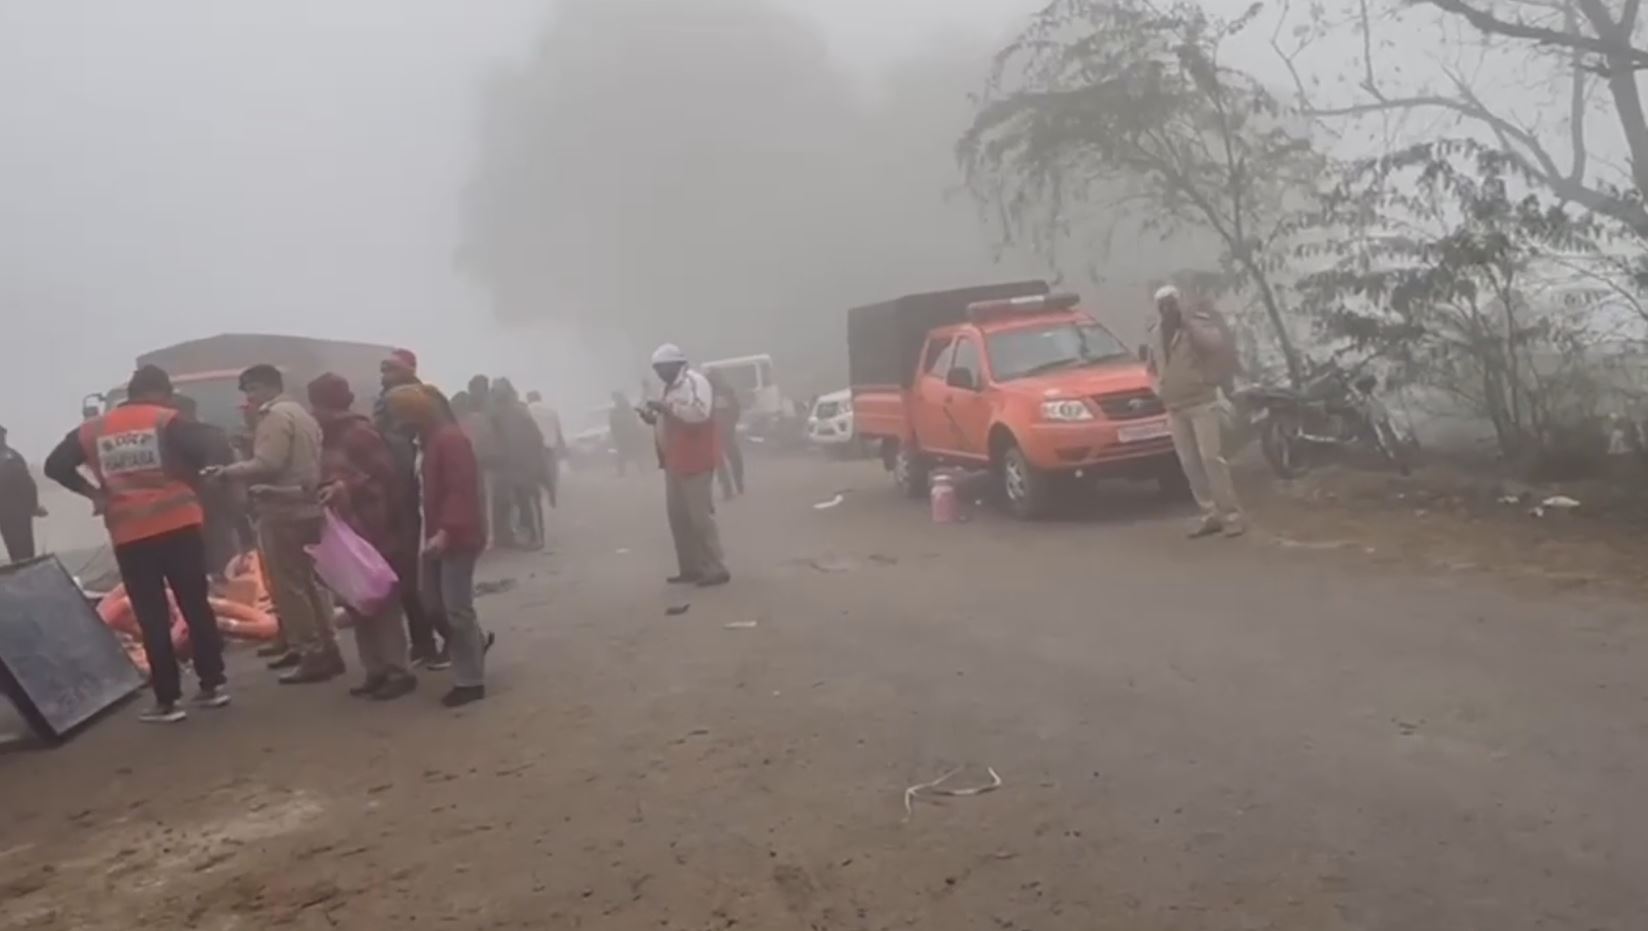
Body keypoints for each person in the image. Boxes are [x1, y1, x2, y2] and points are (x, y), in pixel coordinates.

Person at [44, 365, 227, 723]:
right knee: (195, 603)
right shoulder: (167, 420)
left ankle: (167, 701)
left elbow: (55, 465)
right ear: (160, 391)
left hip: (131, 534)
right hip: (180, 525)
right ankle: (213, 684)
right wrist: (196, 477)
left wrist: (94, 493)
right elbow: (213, 444)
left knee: (151, 615)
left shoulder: (93, 430)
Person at [210, 364, 346, 682]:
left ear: (266, 387)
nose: (249, 398)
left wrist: (226, 472)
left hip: (282, 510)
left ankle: (312, 652)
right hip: (307, 505)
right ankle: (329, 646)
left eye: (251, 390)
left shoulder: (273, 416)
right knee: (313, 583)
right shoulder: (302, 414)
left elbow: (268, 463)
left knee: (291, 586)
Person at [309, 373, 418, 700]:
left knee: (381, 601)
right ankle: (375, 669)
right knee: (358, 601)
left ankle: (398, 670)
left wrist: (347, 487)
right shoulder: (326, 437)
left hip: (372, 527)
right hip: (344, 529)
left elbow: (385, 478)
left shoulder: (358, 433)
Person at [385, 384, 493, 708]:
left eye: (398, 412)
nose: (394, 419)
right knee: (434, 604)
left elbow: (461, 490)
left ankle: (470, 680)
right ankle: (475, 646)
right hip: (434, 533)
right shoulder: (429, 441)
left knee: (455, 609)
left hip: (454, 535)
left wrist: (448, 529)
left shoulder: (448, 440)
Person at [1147, 284, 1244, 538]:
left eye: (1171, 302)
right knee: (1189, 463)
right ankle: (1209, 513)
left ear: (1179, 302)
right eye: (1162, 304)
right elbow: (1151, 367)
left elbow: (1215, 345)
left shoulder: (1195, 325)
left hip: (1202, 401)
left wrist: (1188, 323)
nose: (1167, 308)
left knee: (1211, 458)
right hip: (1174, 406)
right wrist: (1158, 388)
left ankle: (1231, 515)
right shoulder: (1157, 334)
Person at [372, 349, 448, 668]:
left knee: (431, 579)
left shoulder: (425, 402)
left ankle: (455, 640)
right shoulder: (385, 405)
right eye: (382, 369)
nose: (384, 374)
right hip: (397, 500)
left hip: (421, 497)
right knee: (407, 576)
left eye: (390, 368)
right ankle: (422, 642)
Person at [638, 343, 730, 587]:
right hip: (673, 460)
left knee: (700, 517)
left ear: (674, 365)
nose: (658, 373)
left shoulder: (694, 382)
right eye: (656, 369)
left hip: (696, 458)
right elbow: (667, 418)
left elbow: (699, 414)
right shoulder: (667, 388)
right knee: (678, 517)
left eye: (661, 368)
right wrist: (652, 417)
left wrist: (667, 408)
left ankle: (716, 567)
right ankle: (690, 567)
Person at [172, 396, 252, 583]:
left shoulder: (179, 437)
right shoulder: (214, 434)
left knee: (211, 556)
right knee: (220, 555)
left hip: (202, 505)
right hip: (215, 505)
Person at [491, 379, 546, 549]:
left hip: (526, 464)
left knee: (529, 501)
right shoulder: (498, 414)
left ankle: (537, 538)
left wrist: (535, 463)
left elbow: (536, 438)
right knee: (519, 503)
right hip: (510, 466)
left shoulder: (520, 412)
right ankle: (523, 536)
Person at [0, 425, 45, 563]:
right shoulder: (12, 457)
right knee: (23, 555)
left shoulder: (11, 457)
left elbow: (26, 484)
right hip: (15, 513)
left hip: (13, 512)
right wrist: (33, 506)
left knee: (21, 555)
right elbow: (27, 484)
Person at [704, 369, 745, 500]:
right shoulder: (716, 392)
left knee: (725, 460)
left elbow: (735, 408)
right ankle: (733, 486)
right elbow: (735, 409)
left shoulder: (722, 391)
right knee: (728, 459)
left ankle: (732, 486)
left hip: (722, 430)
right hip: (719, 431)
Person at [525, 390, 565, 508]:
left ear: (529, 399)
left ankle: (537, 496)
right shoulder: (551, 411)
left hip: (534, 447)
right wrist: (561, 444)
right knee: (551, 472)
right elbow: (558, 430)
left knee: (535, 473)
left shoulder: (527, 411)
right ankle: (552, 491)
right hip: (550, 446)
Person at [608, 390, 646, 477]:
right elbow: (613, 426)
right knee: (622, 456)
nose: (616, 401)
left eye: (616, 398)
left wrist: (635, 431)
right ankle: (622, 473)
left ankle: (642, 471)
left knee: (636, 454)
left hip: (630, 435)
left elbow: (633, 420)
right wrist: (616, 436)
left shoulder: (625, 408)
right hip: (623, 437)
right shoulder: (615, 411)